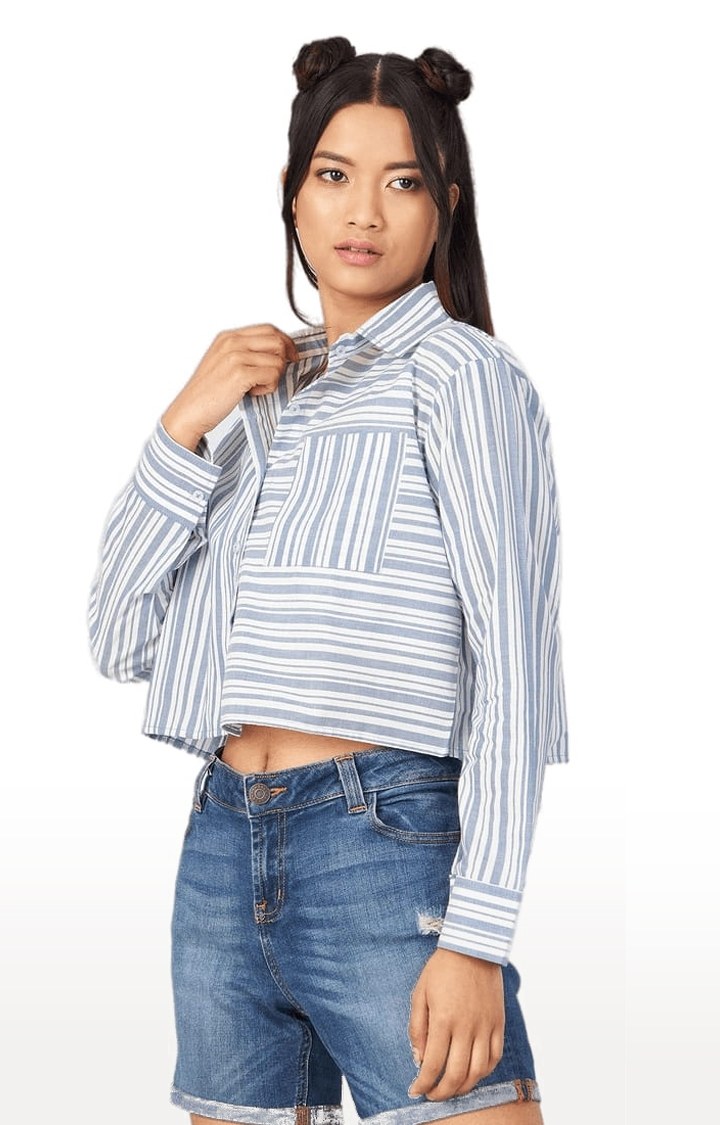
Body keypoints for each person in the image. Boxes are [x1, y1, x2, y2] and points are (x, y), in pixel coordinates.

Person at [88, 36, 569, 1125]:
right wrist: (182, 424)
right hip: (222, 846)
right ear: (293, 195)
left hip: (383, 846)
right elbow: (118, 636)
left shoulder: (465, 378)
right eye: (335, 174)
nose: (363, 212)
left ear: (445, 207)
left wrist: (477, 932)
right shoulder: (254, 402)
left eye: (402, 182)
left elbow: (514, 668)